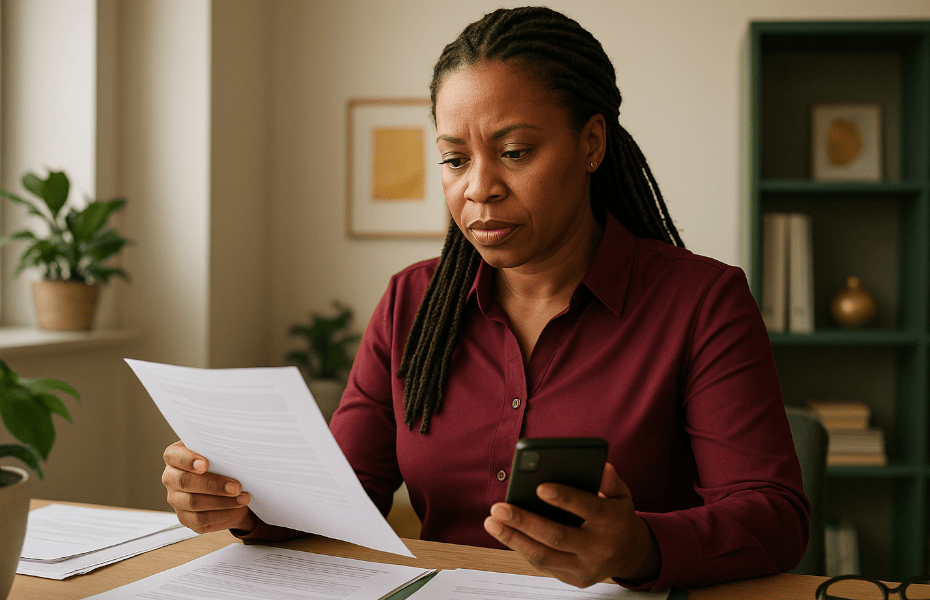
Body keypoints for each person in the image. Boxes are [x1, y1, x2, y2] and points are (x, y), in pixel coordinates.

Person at [162, 6, 809, 591]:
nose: (479, 188)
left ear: (591, 144)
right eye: (453, 159)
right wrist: (244, 505)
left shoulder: (703, 303)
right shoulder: (410, 303)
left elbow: (774, 518)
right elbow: (344, 496)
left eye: (515, 152)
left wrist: (638, 547)